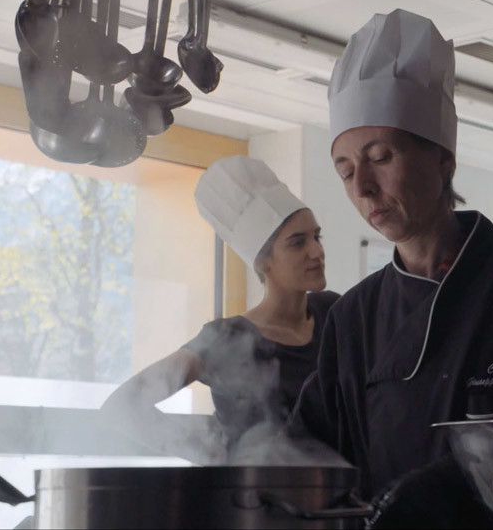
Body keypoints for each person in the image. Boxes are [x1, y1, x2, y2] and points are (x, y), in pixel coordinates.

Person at [291, 9, 493, 517]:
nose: (363, 187)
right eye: (345, 171)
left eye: (381, 157)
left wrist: (447, 490)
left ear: (443, 160)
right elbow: (307, 450)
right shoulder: (354, 318)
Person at [102, 156, 339, 463]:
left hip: (344, 488)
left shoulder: (334, 313)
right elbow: (125, 405)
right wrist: (212, 454)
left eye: (317, 237)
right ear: (263, 260)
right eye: (297, 243)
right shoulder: (228, 338)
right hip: (260, 493)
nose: (317, 252)